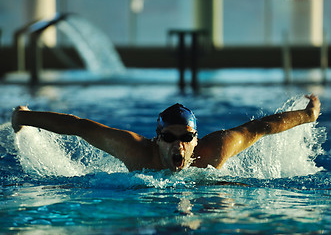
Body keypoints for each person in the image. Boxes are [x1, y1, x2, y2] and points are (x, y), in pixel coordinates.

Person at [11, 94, 321, 172]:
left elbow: (259, 128)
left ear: (196, 139)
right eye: (170, 138)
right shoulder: (135, 151)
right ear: (158, 139)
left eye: (186, 138)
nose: (180, 146)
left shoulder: (214, 151)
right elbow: (81, 127)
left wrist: (308, 115)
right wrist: (25, 117)